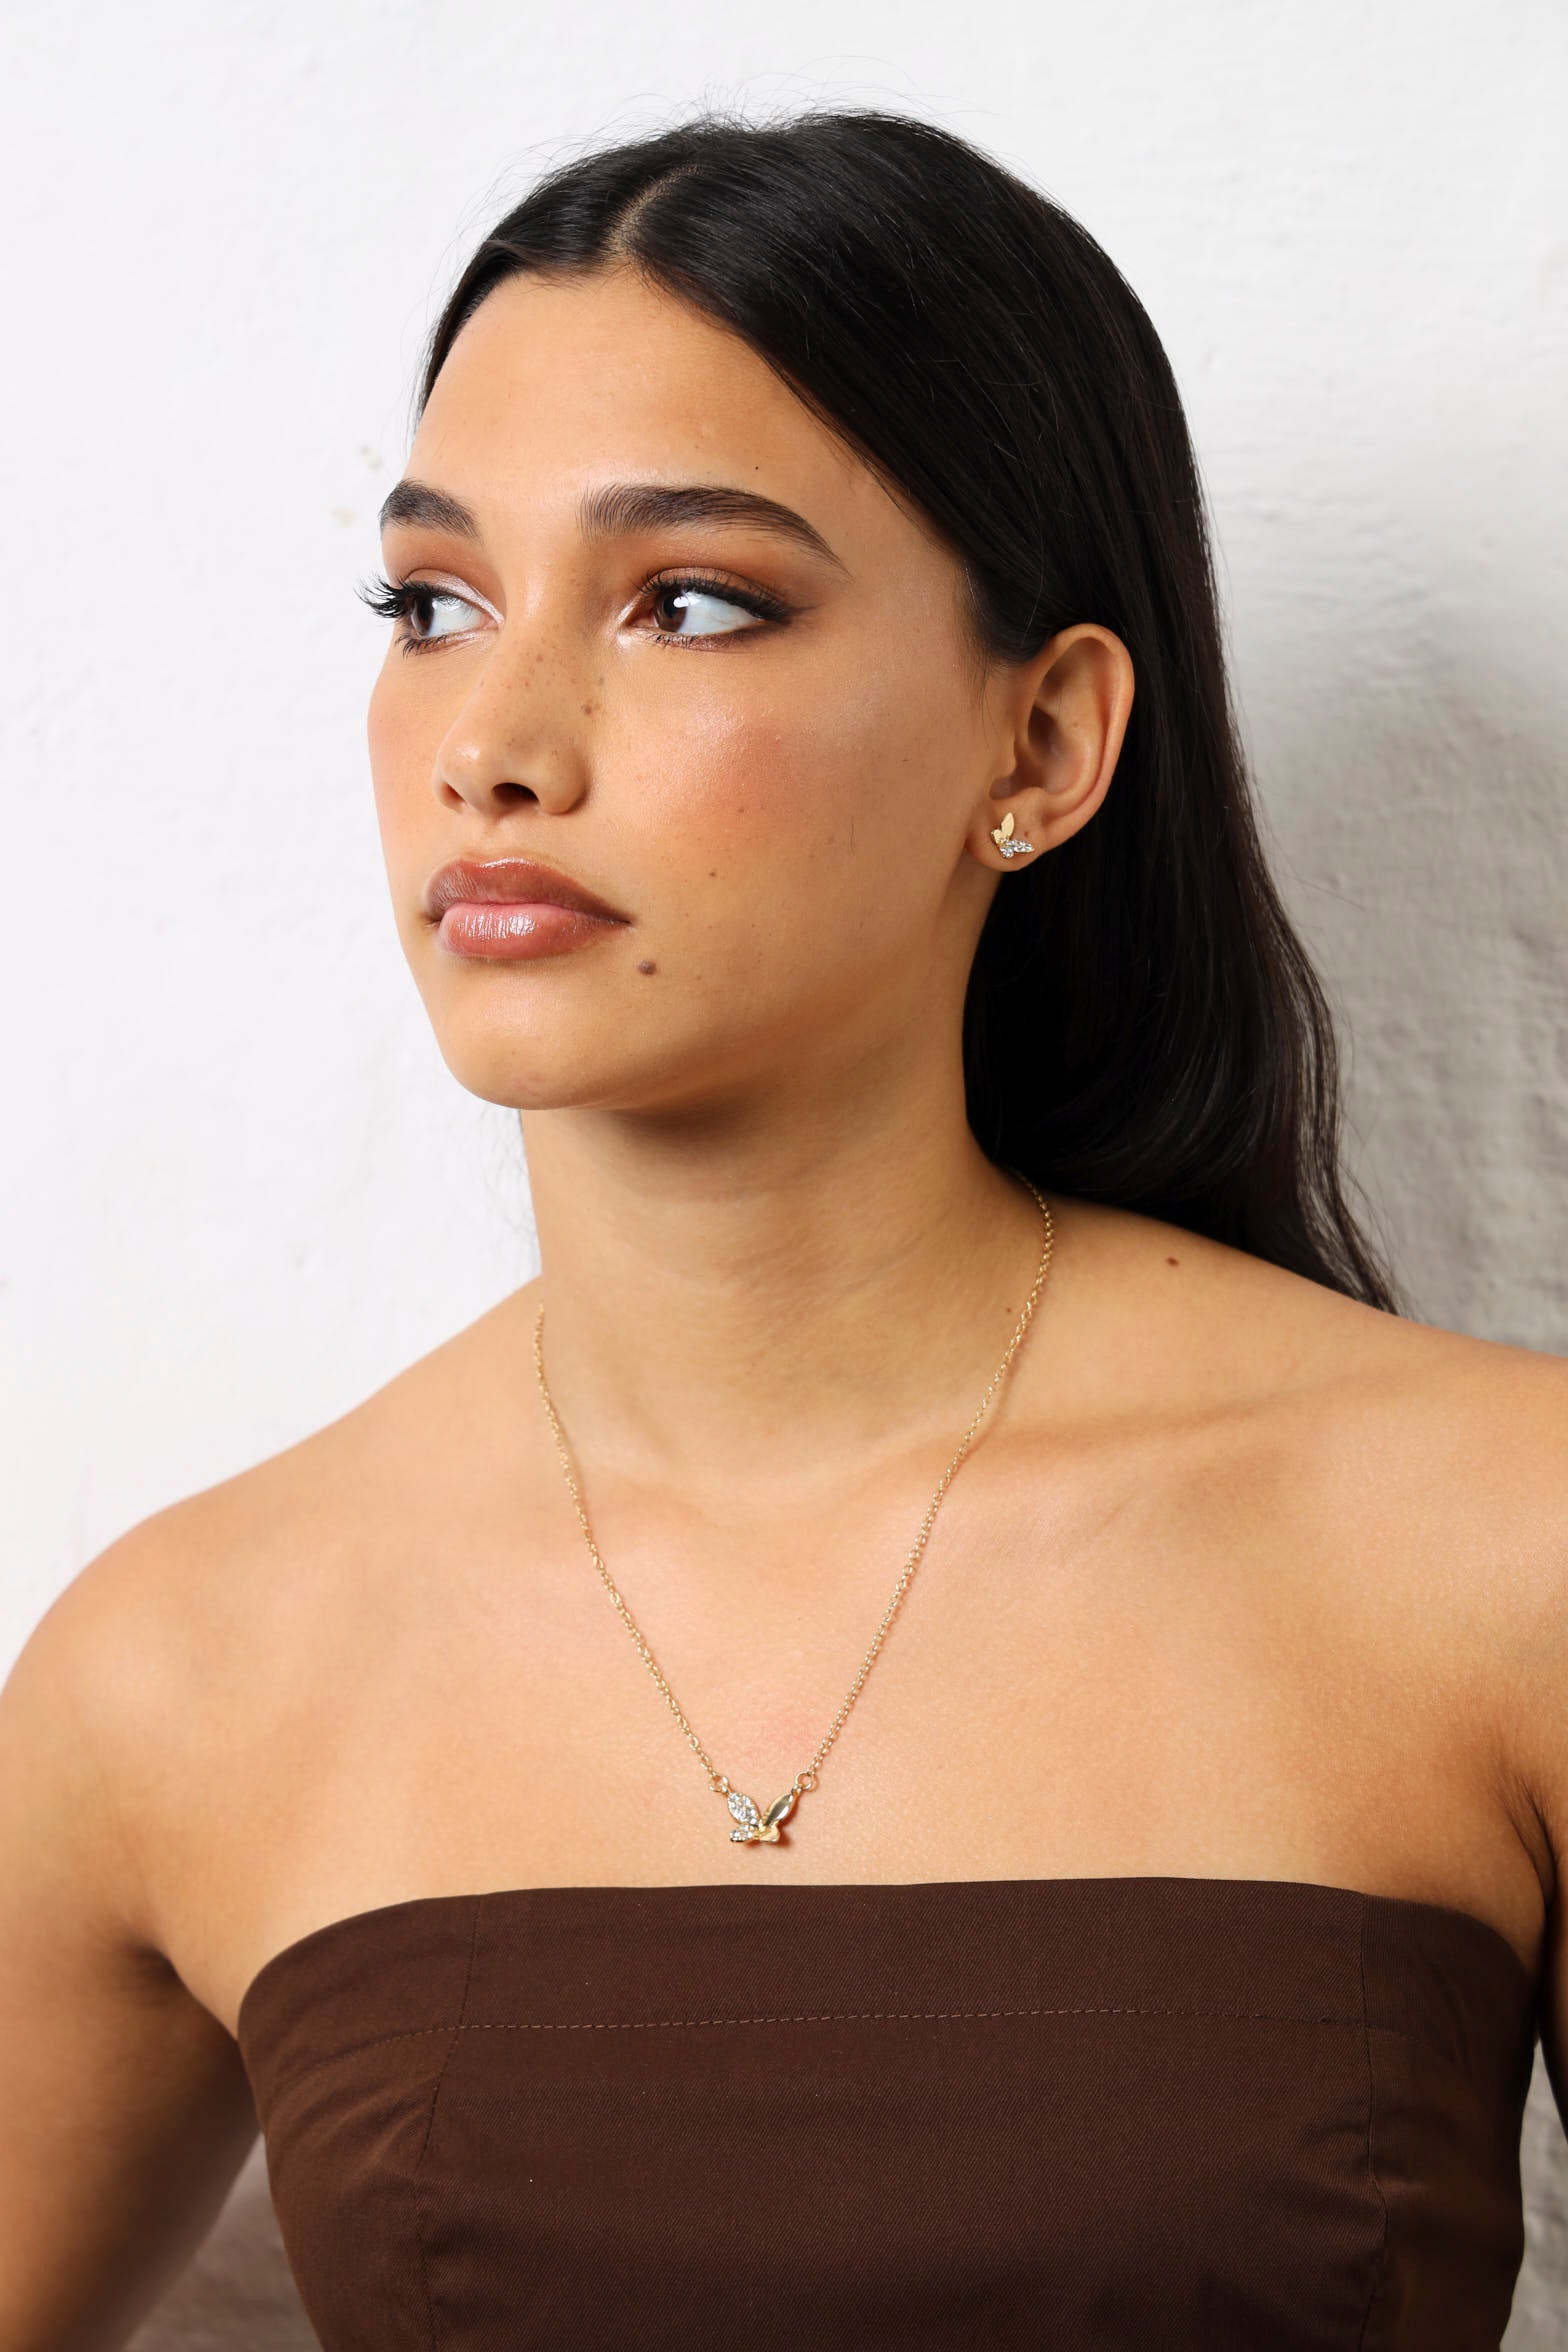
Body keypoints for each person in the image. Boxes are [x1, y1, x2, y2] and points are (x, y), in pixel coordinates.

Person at [1, 104, 1563, 2352]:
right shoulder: (185, 1668)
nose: (494, 743)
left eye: (692, 604)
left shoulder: (1498, 1548)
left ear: (1042, 741)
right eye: (432, 604)